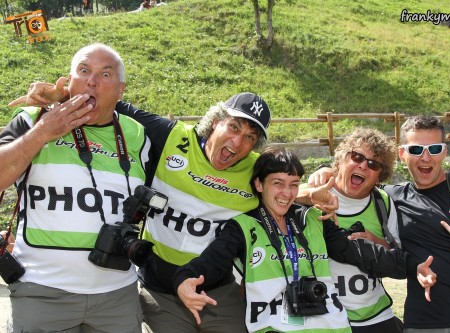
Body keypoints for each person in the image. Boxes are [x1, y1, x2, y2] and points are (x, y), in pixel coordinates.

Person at [10, 85, 274, 332]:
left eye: (250, 137)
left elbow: (287, 190)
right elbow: (114, 105)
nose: (237, 142)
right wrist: (65, 93)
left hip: (216, 290)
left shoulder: (256, 169)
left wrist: (315, 187)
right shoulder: (172, 137)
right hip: (160, 289)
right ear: (216, 122)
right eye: (233, 127)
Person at [173, 147, 436, 333]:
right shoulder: (243, 227)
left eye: (293, 184)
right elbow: (209, 262)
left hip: (331, 328)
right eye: (278, 183)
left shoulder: (313, 220)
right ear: (258, 185)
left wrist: (413, 266)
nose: (286, 193)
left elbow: (359, 252)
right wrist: (184, 280)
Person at [0, 43, 150, 333]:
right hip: (41, 292)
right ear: (69, 81)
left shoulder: (139, 134)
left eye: (105, 74)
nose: (92, 81)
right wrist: (44, 132)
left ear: (120, 89)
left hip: (117, 297)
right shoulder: (33, 120)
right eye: (83, 71)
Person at [307, 116, 450, 333]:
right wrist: (325, 172)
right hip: (424, 323)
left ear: (444, 152)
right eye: (417, 150)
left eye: (434, 149)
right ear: (402, 154)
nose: (425, 158)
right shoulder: (392, 197)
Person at [296, 128, 404, 333]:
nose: (363, 165)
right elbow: (281, 196)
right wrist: (308, 193)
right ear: (341, 160)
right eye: (357, 156)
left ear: (380, 175)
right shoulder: (315, 192)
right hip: (324, 316)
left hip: (374, 315)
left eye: (373, 164)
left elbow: (398, 256)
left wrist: (375, 242)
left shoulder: (383, 203)